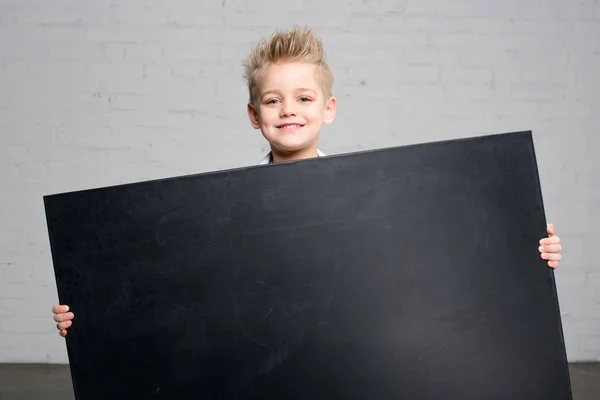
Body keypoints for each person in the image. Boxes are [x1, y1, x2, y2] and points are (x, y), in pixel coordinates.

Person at [52, 25, 563, 336]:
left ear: (329, 108)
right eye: (273, 100)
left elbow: (433, 265)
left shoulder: (371, 202)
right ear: (254, 116)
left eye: (303, 98)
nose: (288, 111)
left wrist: (526, 254)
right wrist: (91, 314)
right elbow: (172, 291)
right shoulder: (221, 215)